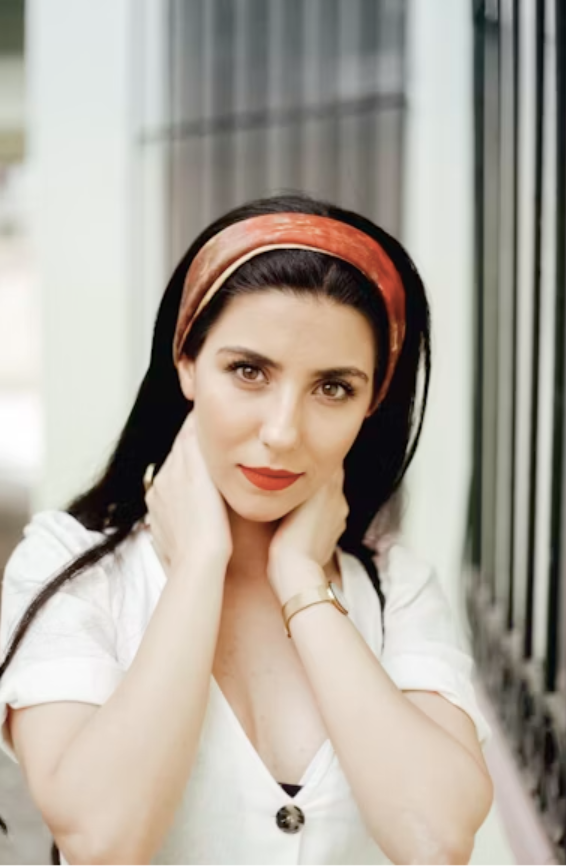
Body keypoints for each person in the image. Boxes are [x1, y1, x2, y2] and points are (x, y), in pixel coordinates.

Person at [0, 193, 493, 865]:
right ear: (186, 363)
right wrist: (199, 562)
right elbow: (103, 841)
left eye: (333, 388)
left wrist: (301, 582)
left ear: (373, 401)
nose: (283, 432)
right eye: (249, 371)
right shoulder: (71, 564)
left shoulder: (394, 589)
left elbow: (436, 840)